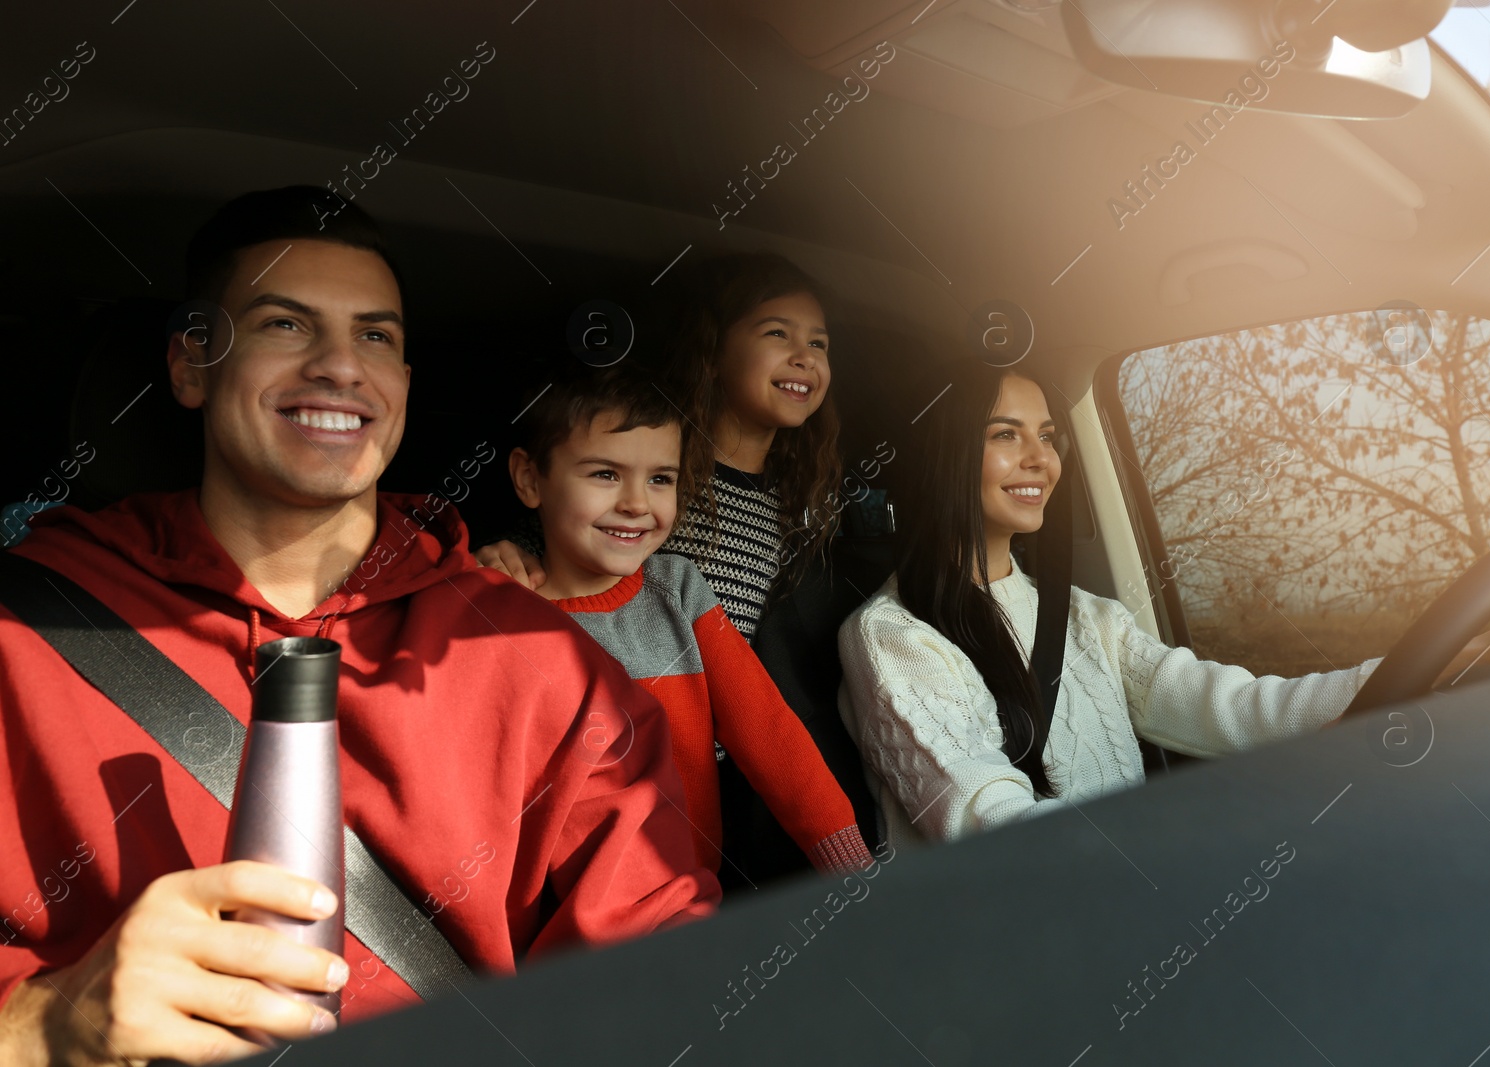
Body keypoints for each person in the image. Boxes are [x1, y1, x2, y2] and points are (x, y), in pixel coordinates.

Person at [0, 187, 719, 1065]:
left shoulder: (544, 669)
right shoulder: (26, 632)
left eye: (376, 336)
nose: (342, 366)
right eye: (285, 325)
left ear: (404, 387)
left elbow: (658, 998)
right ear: (192, 365)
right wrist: (45, 1024)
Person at [838, 360, 1490, 847]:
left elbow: (1252, 709)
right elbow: (992, 834)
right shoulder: (893, 636)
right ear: (946, 456)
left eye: (1049, 435)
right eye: (1006, 436)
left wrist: (1486, 652)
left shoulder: (1089, 619)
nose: (1042, 459)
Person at [504, 360, 873, 879]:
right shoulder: (503, 614)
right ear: (529, 478)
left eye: (660, 479)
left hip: (689, 904)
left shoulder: (678, 589)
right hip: (558, 926)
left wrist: (847, 859)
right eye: (605, 474)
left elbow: (767, 729)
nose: (636, 503)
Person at [476, 252, 840, 636]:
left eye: (819, 344)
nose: (805, 358)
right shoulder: (655, 472)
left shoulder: (797, 500)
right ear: (713, 353)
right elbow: (555, 528)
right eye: (778, 333)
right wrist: (501, 553)